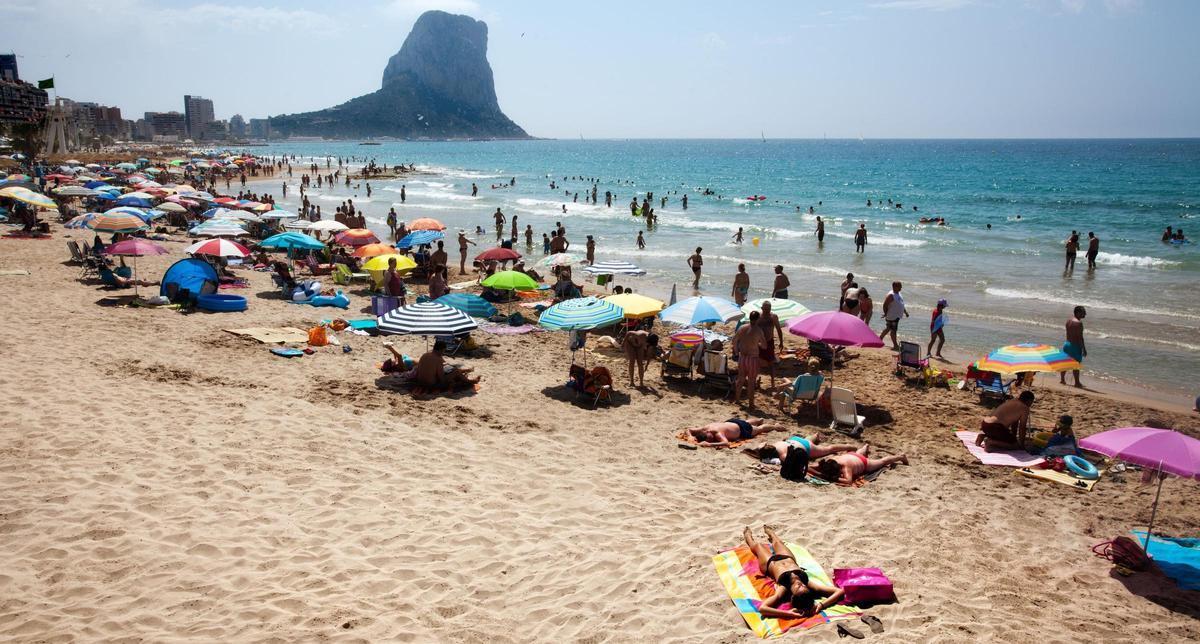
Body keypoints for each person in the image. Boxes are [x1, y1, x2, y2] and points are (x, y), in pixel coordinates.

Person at [741, 526, 845, 620]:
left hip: (769, 564)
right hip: (788, 558)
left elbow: (763, 608)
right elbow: (839, 592)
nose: (801, 584)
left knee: (758, 546)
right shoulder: (807, 583)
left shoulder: (783, 588)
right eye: (804, 586)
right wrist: (821, 605)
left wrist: (788, 614)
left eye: (799, 588)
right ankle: (771, 534)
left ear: (792, 595)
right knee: (778, 542)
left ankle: (748, 537)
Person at [811, 444, 909, 485]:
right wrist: (820, 474)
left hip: (864, 462)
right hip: (852, 456)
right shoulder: (830, 461)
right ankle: (865, 447)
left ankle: (901, 457)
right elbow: (809, 467)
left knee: (883, 462)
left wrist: (829, 477)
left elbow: (848, 481)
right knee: (858, 453)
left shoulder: (846, 467)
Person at [756, 432, 859, 463]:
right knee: (807, 439)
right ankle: (816, 435)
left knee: (829, 449)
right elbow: (761, 445)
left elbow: (790, 462)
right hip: (795, 440)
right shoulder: (774, 444)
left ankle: (850, 446)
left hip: (807, 448)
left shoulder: (782, 455)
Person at [733, 311, 766, 408]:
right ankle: (751, 404)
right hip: (752, 358)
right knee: (751, 381)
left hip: (742, 357)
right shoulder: (759, 330)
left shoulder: (742, 328)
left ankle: (737, 400)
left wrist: (736, 351)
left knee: (740, 379)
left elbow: (734, 340)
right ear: (758, 319)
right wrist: (758, 344)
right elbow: (764, 346)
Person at [415, 340, 479, 389]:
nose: (443, 352)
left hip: (420, 382)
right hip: (431, 385)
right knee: (455, 371)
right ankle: (469, 381)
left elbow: (419, 370)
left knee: (449, 368)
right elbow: (441, 377)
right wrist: (450, 380)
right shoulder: (438, 359)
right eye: (443, 351)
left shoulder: (425, 355)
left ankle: (465, 371)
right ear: (441, 350)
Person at [687, 417, 786, 447]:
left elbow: (726, 443)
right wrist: (690, 436)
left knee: (759, 429)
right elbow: (689, 429)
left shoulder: (716, 432)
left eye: (710, 438)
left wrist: (710, 444)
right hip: (731, 422)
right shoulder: (705, 427)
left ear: (708, 434)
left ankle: (774, 426)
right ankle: (759, 419)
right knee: (746, 422)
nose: (712, 439)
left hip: (742, 430)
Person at [757, 300, 784, 388]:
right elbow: (754, 328)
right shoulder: (759, 317)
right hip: (760, 342)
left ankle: (772, 381)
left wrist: (781, 342)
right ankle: (757, 379)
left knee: (771, 362)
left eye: (768, 309)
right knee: (758, 361)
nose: (767, 311)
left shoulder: (773, 317)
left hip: (769, 342)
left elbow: (779, 330)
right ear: (762, 308)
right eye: (765, 309)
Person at [1060, 305, 1086, 387]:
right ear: (1078, 313)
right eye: (1083, 312)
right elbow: (1080, 337)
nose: (1085, 314)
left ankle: (1062, 379)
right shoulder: (1079, 323)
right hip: (1075, 346)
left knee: (1065, 363)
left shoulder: (1068, 321)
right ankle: (1077, 383)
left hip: (1067, 344)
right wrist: (1083, 349)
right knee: (1076, 365)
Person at [878, 281, 908, 350]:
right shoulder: (891, 295)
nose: (901, 287)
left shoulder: (899, 293)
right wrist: (885, 313)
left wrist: (905, 312)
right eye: (900, 286)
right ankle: (895, 345)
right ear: (894, 287)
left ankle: (880, 339)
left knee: (888, 328)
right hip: (892, 316)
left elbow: (901, 304)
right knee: (893, 331)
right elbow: (885, 305)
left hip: (896, 316)